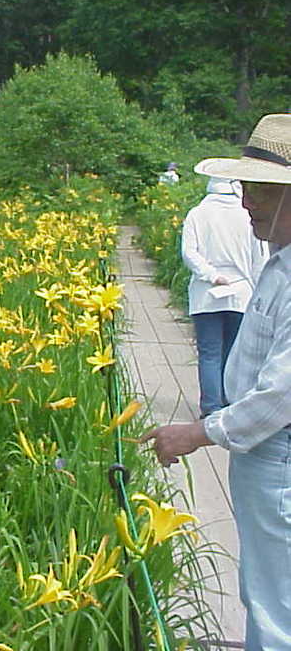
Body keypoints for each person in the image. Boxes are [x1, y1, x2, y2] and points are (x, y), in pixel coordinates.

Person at [142, 113, 291, 650]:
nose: (246, 201)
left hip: (280, 458)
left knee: (276, 608)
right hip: (267, 455)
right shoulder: (279, 259)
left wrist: (198, 432)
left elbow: (281, 394)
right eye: (245, 186)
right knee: (265, 589)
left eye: (261, 190)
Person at [181, 176, 266, 417]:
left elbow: (189, 253)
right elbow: (258, 259)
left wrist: (211, 274)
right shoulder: (246, 214)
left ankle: (210, 408)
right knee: (234, 353)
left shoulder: (197, 213)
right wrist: (259, 292)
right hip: (242, 293)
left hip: (205, 294)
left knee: (209, 354)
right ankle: (228, 405)